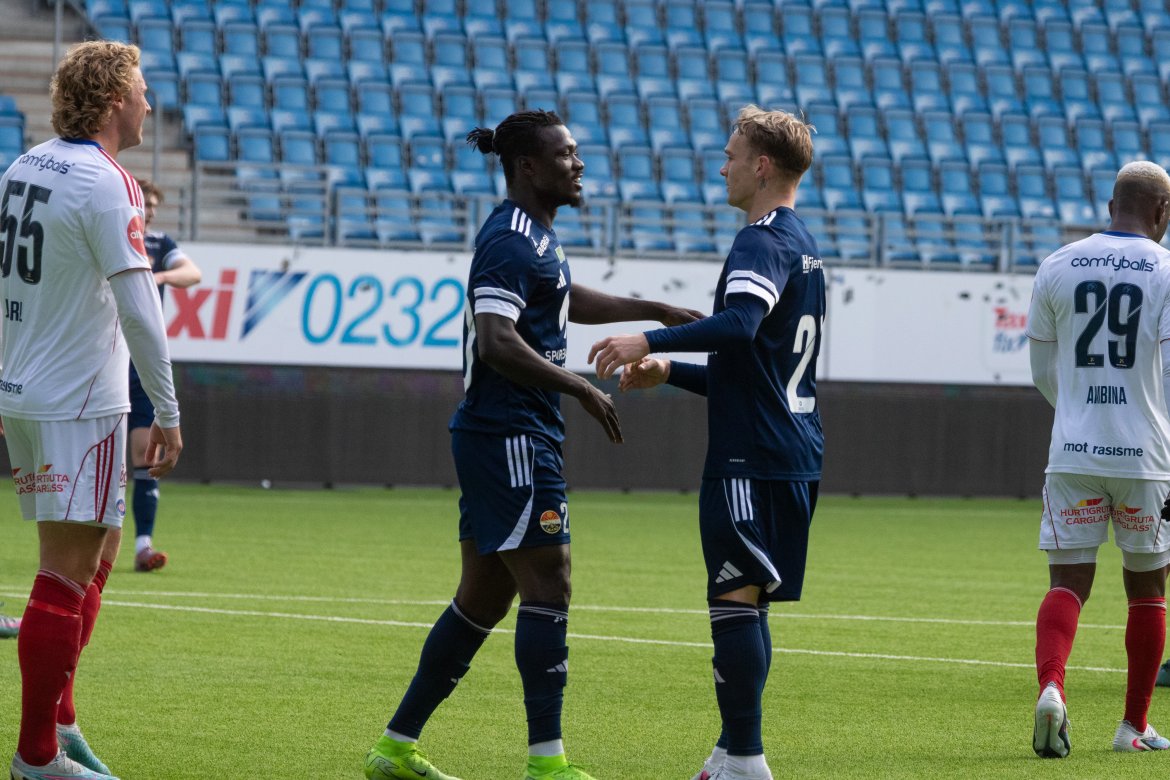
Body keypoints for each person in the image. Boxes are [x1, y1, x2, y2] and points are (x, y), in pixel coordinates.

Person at [363, 110, 702, 780]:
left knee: (484, 597)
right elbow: (495, 338)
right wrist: (579, 386)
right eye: (567, 153)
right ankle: (548, 765)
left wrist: (654, 311)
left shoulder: (534, 237)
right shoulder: (509, 240)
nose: (579, 164)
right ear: (528, 166)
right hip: (510, 435)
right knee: (552, 581)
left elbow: (562, 298)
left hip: (513, 433)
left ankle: (395, 748)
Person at [588, 105, 823, 780]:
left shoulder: (760, 241)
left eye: (730, 154)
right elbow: (756, 368)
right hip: (792, 448)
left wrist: (649, 338)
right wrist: (671, 371)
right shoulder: (803, 243)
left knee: (732, 599)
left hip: (750, 458)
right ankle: (728, 752)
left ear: (762, 165)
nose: (721, 166)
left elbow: (740, 324)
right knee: (751, 599)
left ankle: (747, 760)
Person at [0, 41, 183, 780]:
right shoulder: (111, 183)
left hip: (31, 389)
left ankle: (63, 720)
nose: (148, 104)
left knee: (99, 554)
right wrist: (167, 409)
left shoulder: (24, 165)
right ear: (113, 102)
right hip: (82, 398)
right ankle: (35, 754)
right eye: (140, 90)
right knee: (65, 575)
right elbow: (142, 309)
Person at [1026, 160, 1170, 759]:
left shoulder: (1057, 264)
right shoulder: (1166, 270)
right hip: (1147, 457)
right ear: (1162, 213)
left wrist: (1081, 415)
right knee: (1148, 591)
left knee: (1068, 584)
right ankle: (1133, 727)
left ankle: (1053, 688)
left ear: (1112, 204)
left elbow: (1041, 370)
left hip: (1073, 451)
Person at [127, 178, 200, 572]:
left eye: (154, 205)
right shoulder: (112, 234)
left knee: (144, 454)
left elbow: (193, 273)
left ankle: (143, 545)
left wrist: (161, 277)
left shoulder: (158, 245)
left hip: (140, 362)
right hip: (100, 357)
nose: (150, 210)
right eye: (145, 202)